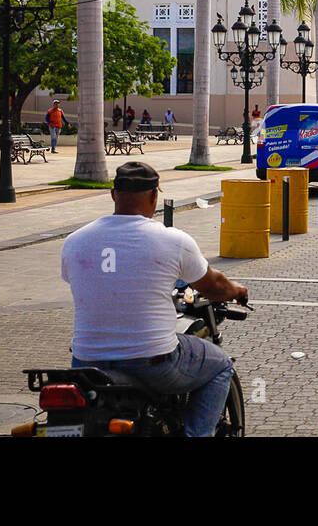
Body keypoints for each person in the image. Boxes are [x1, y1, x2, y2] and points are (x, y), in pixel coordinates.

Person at [61, 161, 248, 437]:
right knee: (220, 365)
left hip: (87, 363)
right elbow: (215, 287)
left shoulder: (75, 241)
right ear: (153, 196)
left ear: (113, 194)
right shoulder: (172, 240)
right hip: (153, 363)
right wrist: (237, 291)